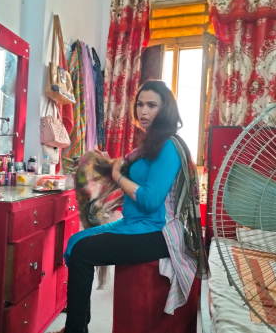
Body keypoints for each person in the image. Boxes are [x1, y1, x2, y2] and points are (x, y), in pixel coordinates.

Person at [53, 80, 206, 333]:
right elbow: (126, 169)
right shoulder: (147, 146)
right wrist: (104, 165)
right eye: (140, 104)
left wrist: (118, 177)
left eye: (152, 105)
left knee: (82, 251)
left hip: (159, 233)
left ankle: (75, 329)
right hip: (136, 223)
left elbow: (148, 199)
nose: (143, 111)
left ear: (165, 109)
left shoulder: (168, 146)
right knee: (75, 241)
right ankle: (78, 323)